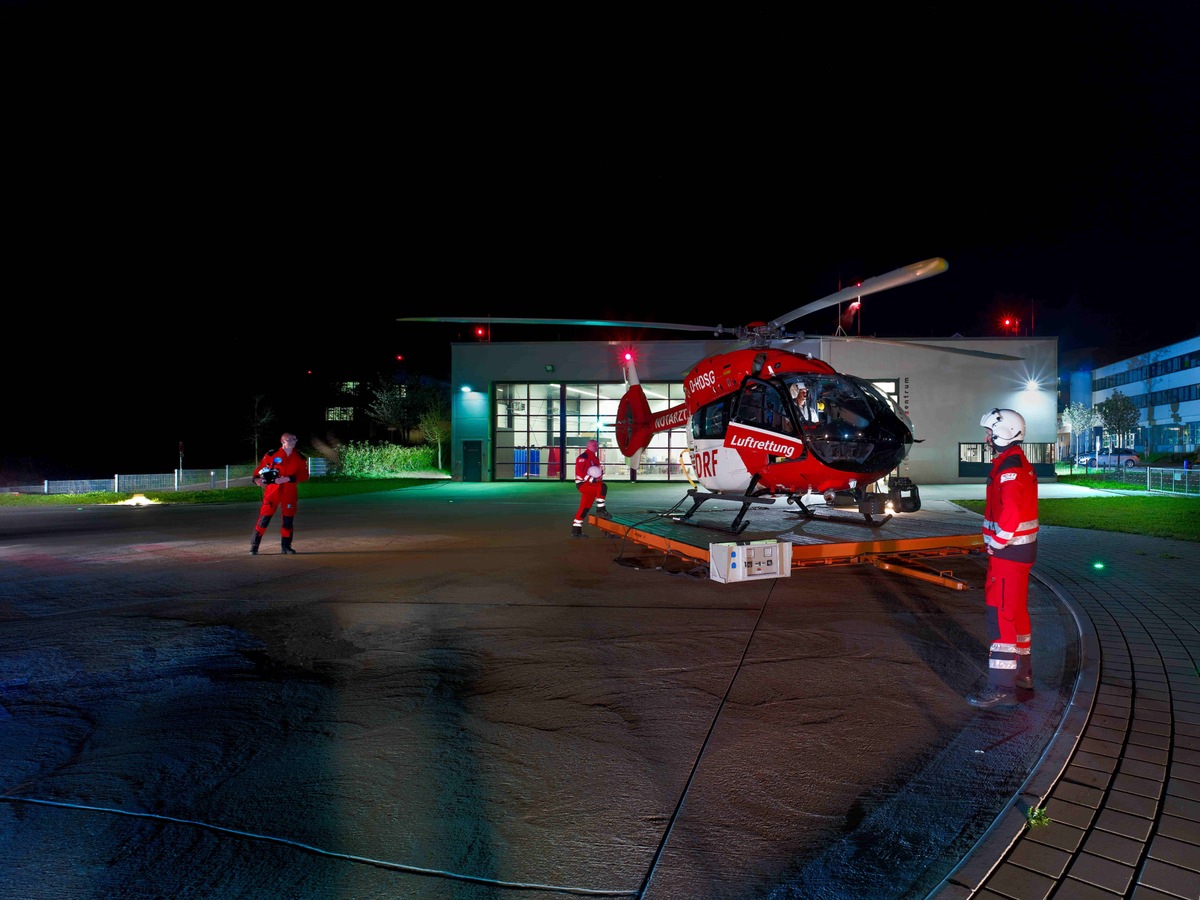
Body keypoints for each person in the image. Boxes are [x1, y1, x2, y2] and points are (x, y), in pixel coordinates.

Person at [968, 408, 1039, 710]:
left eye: (990, 433)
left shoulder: (1009, 471)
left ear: (1004, 434)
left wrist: (996, 543)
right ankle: (1023, 675)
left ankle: (1001, 687)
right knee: (1017, 613)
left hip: (1008, 555)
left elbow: (1010, 514)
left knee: (1001, 617)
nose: (986, 438)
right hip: (1019, 554)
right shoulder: (1014, 464)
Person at [249, 432, 310, 555]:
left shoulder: (299, 457)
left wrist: (288, 479)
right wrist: (257, 480)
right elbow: (258, 471)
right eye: (290, 439)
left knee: (288, 520)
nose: (294, 441)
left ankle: (286, 546)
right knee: (264, 519)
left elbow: (304, 475)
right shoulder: (272, 455)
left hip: (289, 492)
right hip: (272, 492)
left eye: (295, 439)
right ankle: (254, 546)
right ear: (283, 441)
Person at [571, 439, 612, 538]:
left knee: (584, 508)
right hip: (583, 484)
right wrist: (592, 480)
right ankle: (600, 509)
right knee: (602, 487)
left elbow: (596, 471)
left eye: (597, 445)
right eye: (594, 445)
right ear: (588, 446)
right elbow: (580, 473)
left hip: (590, 484)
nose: (596, 446)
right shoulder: (583, 457)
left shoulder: (595, 458)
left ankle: (576, 531)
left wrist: (599, 476)